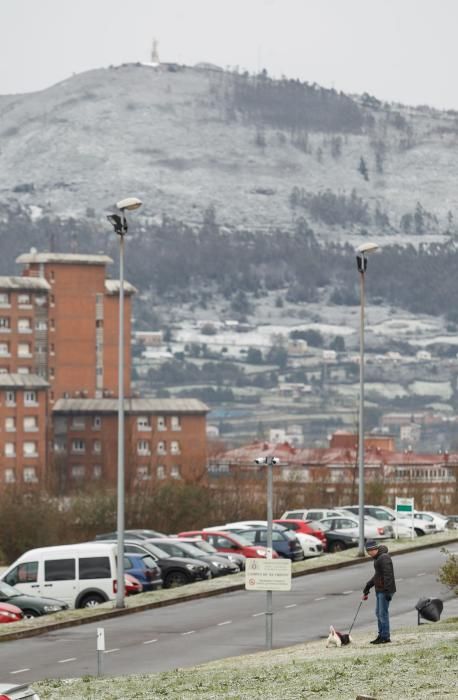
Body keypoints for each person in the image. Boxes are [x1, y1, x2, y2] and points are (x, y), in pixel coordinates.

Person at [363, 540, 396, 644]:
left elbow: (388, 575)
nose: (369, 553)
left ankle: (385, 637)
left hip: (385, 590)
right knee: (378, 613)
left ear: (375, 549)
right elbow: (378, 575)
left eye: (370, 551)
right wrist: (368, 585)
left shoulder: (384, 557)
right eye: (367, 551)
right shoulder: (378, 558)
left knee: (382, 613)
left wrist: (387, 591)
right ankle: (381, 635)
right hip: (380, 589)